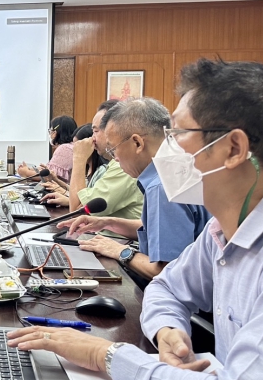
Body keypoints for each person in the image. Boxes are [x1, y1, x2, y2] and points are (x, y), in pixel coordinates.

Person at [8, 59, 263, 380]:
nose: (166, 147)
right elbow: (166, 288)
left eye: (179, 133)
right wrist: (169, 331)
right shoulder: (227, 225)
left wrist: (106, 355)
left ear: (233, 149)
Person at [62, 98, 210, 281]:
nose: (115, 158)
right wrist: (107, 222)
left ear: (138, 143)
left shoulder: (162, 185)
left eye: (113, 150)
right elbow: (162, 231)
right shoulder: (177, 166)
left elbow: (170, 273)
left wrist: (120, 251)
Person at [42, 101, 143, 227]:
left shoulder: (123, 167)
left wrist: (79, 158)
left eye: (95, 131)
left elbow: (77, 213)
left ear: (112, 131)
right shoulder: (114, 164)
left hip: (110, 238)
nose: (92, 138)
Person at [17, 115, 77, 181]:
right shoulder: (71, 146)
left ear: (55, 132)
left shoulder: (65, 148)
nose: (50, 134)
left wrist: (26, 172)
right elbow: (50, 170)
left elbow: (49, 177)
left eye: (50, 131)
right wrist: (30, 170)